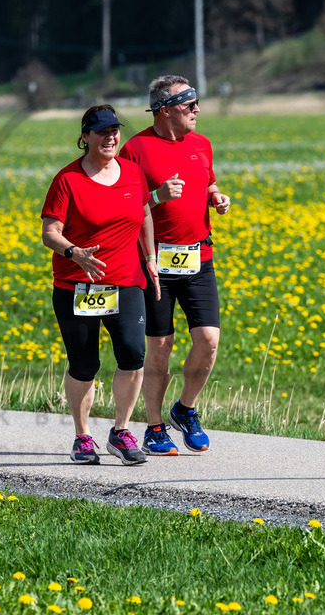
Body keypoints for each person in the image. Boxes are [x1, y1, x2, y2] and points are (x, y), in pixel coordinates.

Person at [41, 104, 160, 466]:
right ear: (85, 137)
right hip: (78, 285)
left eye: (114, 131)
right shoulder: (67, 179)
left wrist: (150, 258)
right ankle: (82, 437)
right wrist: (74, 252)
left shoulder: (133, 173)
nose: (110, 138)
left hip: (126, 281)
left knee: (133, 355)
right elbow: (49, 233)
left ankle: (121, 432)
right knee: (84, 365)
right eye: (101, 132)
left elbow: (144, 212)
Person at [118, 75, 231, 455]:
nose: (197, 109)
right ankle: (154, 427)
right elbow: (122, 206)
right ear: (164, 110)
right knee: (160, 347)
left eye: (196, 102)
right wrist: (156, 196)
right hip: (153, 262)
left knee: (209, 341)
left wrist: (216, 196)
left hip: (199, 257)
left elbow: (208, 181)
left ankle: (184, 409)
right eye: (188, 104)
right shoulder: (135, 149)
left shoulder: (201, 144)